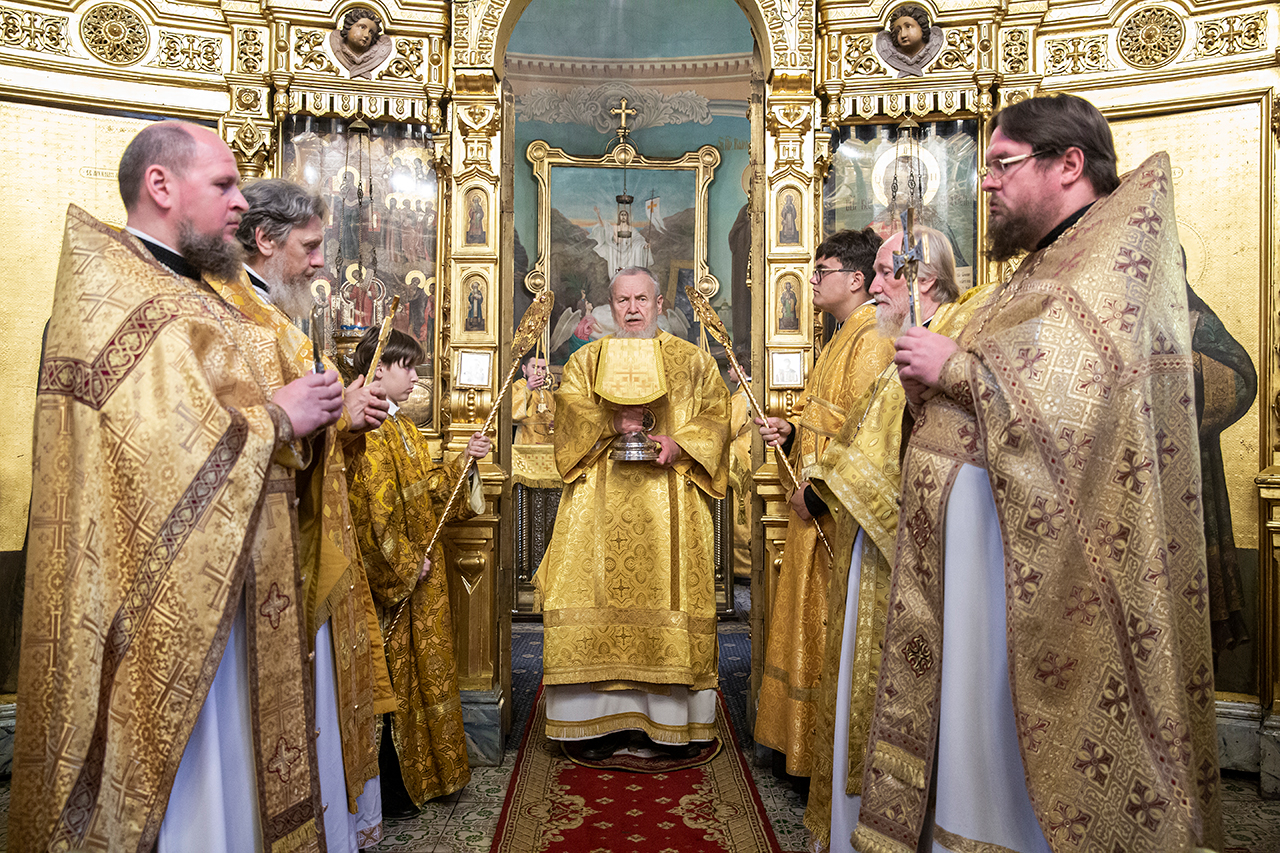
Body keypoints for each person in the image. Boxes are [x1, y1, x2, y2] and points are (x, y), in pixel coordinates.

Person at [855, 94, 1223, 852]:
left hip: (1038, 574)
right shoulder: (1042, 268)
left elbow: (1081, 402)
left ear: (1068, 164)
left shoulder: (1105, 268)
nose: (987, 182)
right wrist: (935, 388)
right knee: (976, 729)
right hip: (984, 563)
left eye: (1002, 164)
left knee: (1007, 748)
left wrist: (958, 370)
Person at [11, 122, 344, 852]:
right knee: (191, 793)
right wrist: (278, 419)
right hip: (159, 597)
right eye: (224, 185)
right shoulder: (113, 293)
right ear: (161, 185)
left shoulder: (198, 293)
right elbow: (154, 449)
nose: (240, 203)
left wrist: (306, 420)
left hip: (236, 585)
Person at [229, 178, 395, 851]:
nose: (322, 262)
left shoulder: (276, 319)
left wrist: (346, 423)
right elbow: (242, 439)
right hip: (270, 563)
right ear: (265, 240)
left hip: (311, 544)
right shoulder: (239, 321)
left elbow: (308, 436)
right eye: (311, 246)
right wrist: (337, 417)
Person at [802, 225, 976, 852]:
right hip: (877, 541)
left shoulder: (952, 332)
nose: (874, 287)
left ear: (921, 277)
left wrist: (823, 485)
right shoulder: (905, 336)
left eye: (883, 273)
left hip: (910, 552)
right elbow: (869, 426)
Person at [534, 267, 730, 759]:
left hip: (670, 509)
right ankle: (592, 724)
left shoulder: (692, 360)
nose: (633, 309)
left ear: (659, 304)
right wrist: (610, 420)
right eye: (623, 300)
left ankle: (668, 723)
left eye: (642, 299)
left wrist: (680, 443)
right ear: (611, 306)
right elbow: (568, 413)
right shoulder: (587, 359)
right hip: (596, 510)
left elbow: (718, 414)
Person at [752, 228, 894, 779]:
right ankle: (805, 749)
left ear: (855, 279)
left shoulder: (871, 337)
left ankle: (826, 757)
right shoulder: (841, 335)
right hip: (816, 508)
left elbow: (869, 436)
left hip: (834, 512)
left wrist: (817, 493)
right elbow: (829, 421)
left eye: (821, 271)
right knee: (809, 623)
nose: (811, 281)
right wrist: (791, 431)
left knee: (831, 626)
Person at [346, 327, 491, 817]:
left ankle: (426, 777)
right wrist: (410, 564)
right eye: (406, 367)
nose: (414, 377)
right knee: (392, 683)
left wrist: (463, 462)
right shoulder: (366, 435)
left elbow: (428, 494)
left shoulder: (404, 430)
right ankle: (389, 788)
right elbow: (368, 519)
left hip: (422, 581)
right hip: (395, 587)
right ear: (378, 369)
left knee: (422, 678)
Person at [875, 3, 942, 77]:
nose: (903, 35)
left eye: (908, 27)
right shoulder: (891, 52)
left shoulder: (933, 44)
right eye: (898, 31)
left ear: (922, 26)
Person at [329, 6, 392, 78]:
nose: (366, 35)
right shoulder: (336, 42)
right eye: (362, 27)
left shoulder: (377, 52)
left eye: (371, 33)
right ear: (349, 26)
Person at [512, 353, 555, 445]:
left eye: (543, 368)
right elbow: (513, 414)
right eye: (535, 367)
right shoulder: (516, 388)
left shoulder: (548, 395)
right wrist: (528, 389)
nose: (539, 371)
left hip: (546, 444)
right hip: (525, 442)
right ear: (524, 369)